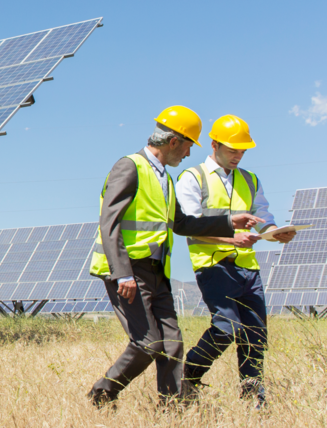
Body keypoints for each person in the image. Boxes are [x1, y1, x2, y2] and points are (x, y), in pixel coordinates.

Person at [87, 106, 264, 408]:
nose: (187, 154)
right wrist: (123, 274)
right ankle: (101, 395)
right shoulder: (129, 167)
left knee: (171, 345)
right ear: (173, 142)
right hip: (129, 270)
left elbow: (182, 224)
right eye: (187, 146)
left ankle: (171, 410)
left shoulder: (165, 179)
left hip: (157, 272)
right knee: (148, 344)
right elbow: (110, 222)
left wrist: (229, 222)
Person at [176, 114, 294, 407]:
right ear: (214, 145)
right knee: (227, 326)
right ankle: (188, 377)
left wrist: (273, 232)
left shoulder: (250, 179)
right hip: (213, 264)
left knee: (256, 332)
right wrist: (230, 239)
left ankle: (254, 396)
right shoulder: (193, 178)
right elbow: (190, 226)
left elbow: (263, 214)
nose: (238, 156)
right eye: (233, 150)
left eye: (242, 151)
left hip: (248, 267)